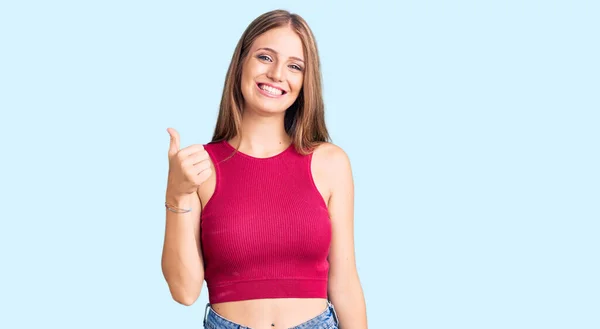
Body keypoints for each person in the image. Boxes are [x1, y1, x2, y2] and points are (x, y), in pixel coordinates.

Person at [161, 9, 368, 328]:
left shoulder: (330, 163)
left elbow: (345, 282)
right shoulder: (200, 167)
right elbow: (184, 291)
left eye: (294, 66)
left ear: (304, 81)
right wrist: (176, 193)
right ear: (241, 62)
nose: (277, 75)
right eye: (265, 57)